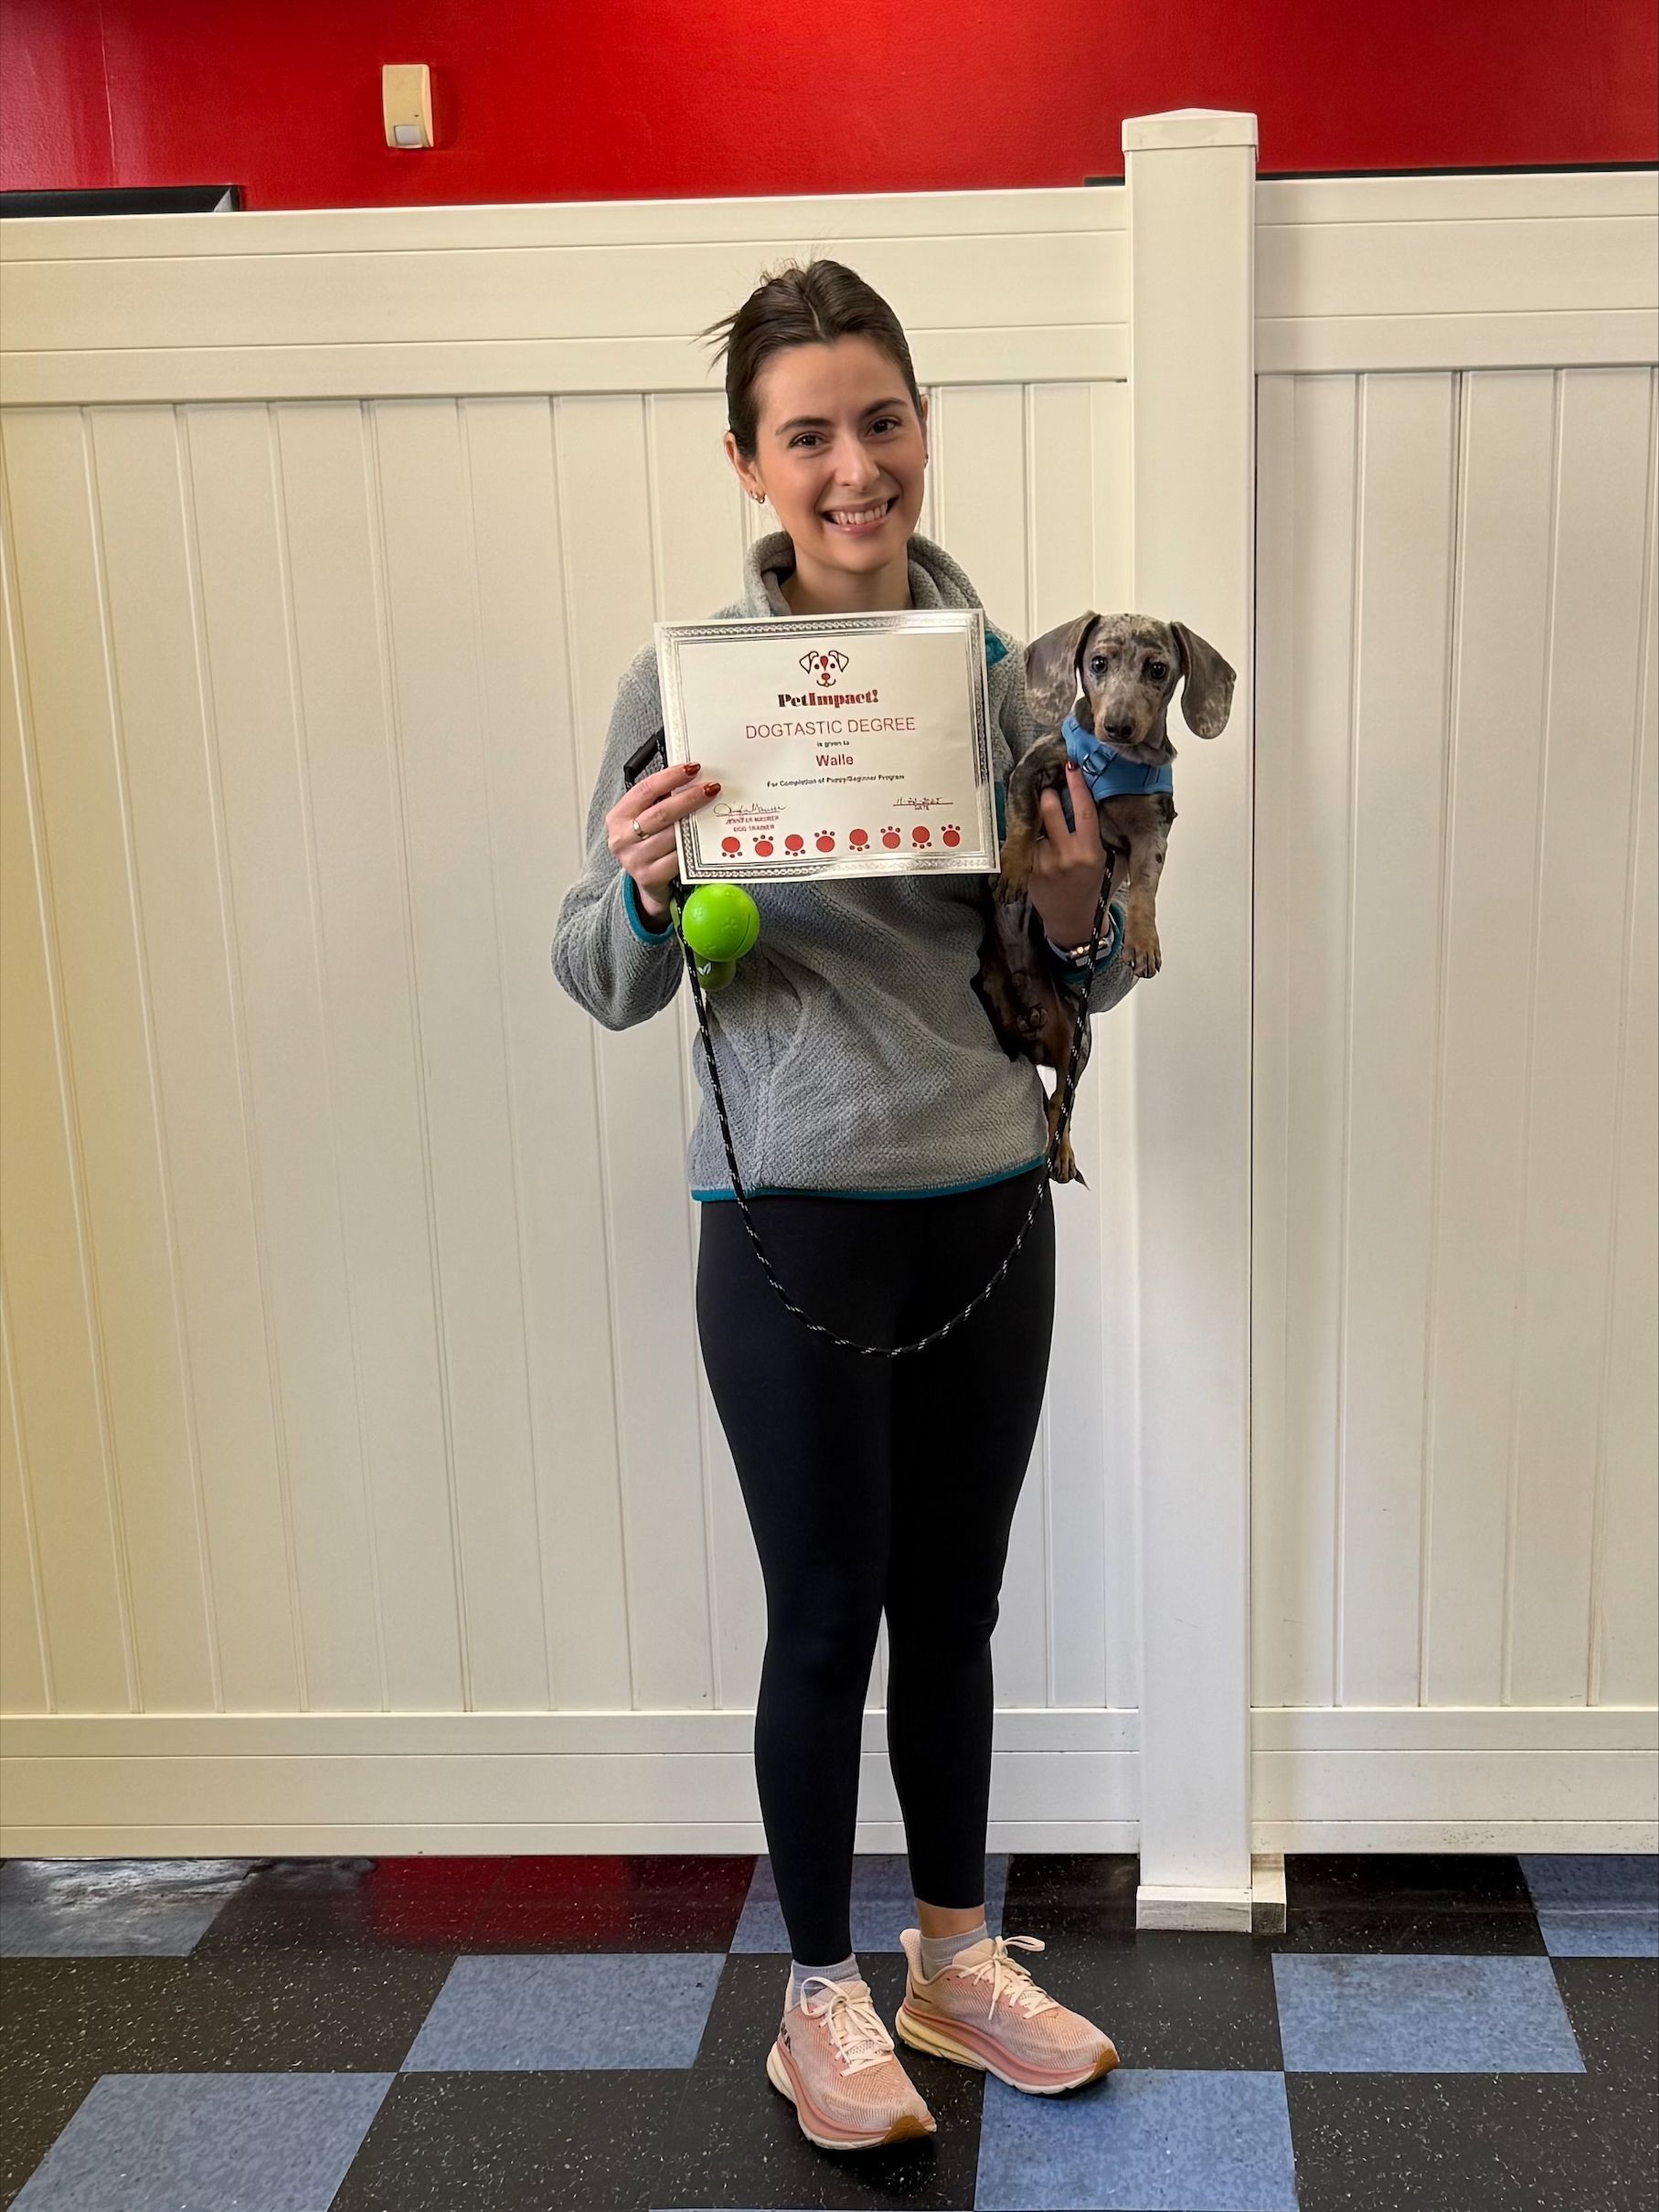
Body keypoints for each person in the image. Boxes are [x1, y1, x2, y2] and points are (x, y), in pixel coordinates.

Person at [551, 259, 1136, 2154]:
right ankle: (817, 1998)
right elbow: (596, 970)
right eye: (806, 433)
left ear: (918, 429)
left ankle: (948, 1961)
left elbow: (1094, 969)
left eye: (879, 421)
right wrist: (643, 883)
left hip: (985, 1193)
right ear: (750, 462)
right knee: (823, 1618)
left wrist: (1070, 907)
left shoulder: (1009, 678)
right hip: (787, 1207)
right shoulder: (682, 683)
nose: (852, 465)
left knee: (949, 1610)